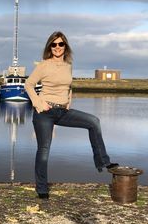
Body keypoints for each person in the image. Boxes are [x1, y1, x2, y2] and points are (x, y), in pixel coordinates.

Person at [25, 31, 118, 199]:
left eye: (61, 44)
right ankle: (42, 188)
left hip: (62, 111)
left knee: (93, 121)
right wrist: (39, 103)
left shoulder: (68, 65)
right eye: (54, 44)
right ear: (50, 47)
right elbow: (28, 84)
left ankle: (103, 161)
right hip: (45, 113)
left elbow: (68, 85)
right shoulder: (43, 65)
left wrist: (68, 100)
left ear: (65, 46)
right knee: (44, 150)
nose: (57, 47)